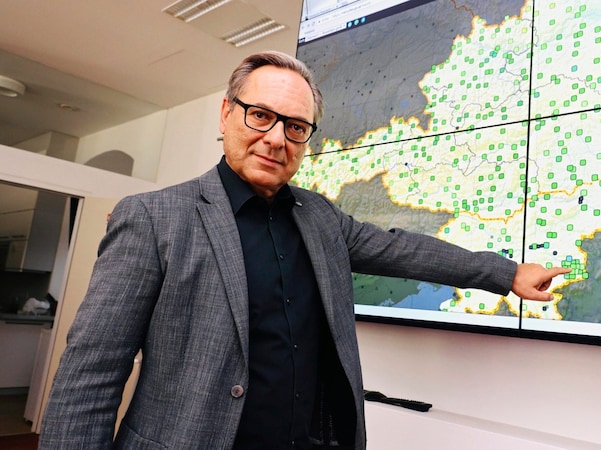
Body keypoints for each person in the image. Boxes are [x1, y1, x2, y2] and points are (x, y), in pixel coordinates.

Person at [39, 51, 571, 449]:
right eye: (260, 116)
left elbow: (402, 250)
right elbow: (90, 376)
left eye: (295, 127)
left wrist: (506, 274)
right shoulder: (154, 217)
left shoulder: (319, 216)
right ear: (226, 114)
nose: (276, 138)